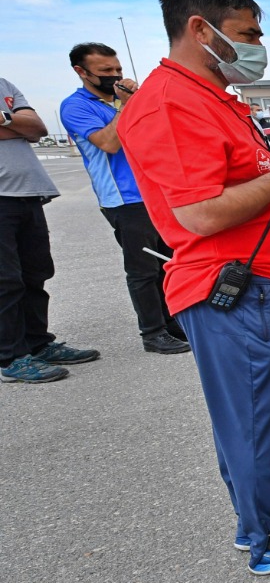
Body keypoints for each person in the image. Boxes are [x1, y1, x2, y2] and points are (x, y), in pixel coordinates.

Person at [117, 0, 270, 573]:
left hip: (254, 282)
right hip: (234, 288)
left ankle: (261, 513)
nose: (259, 44)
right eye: (248, 33)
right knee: (260, 417)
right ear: (201, 29)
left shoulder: (210, 96)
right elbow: (198, 213)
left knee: (257, 414)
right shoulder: (171, 104)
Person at [59, 42, 189, 355]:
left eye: (117, 69)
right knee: (143, 269)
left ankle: (172, 322)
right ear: (82, 72)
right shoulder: (76, 105)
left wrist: (142, 100)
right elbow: (108, 143)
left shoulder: (127, 100)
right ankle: (152, 332)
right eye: (105, 71)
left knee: (168, 263)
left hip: (156, 193)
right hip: (124, 200)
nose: (115, 75)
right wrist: (127, 105)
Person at [0, 78, 101, 384]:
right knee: (5, 281)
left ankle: (37, 343)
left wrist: (7, 120)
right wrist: (15, 125)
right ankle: (10, 357)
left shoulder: (4, 85)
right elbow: (24, 127)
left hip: (27, 192)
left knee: (36, 273)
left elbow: (37, 128)